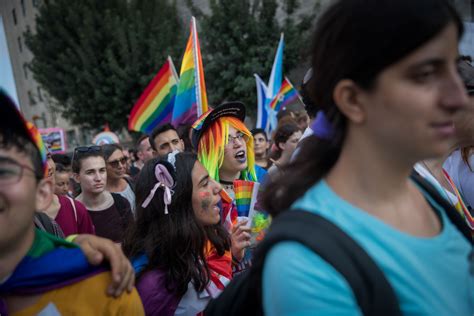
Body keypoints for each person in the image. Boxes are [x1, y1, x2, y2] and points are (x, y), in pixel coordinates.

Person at [262, 0, 473, 315]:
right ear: (352, 100)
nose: (457, 97)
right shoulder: (310, 260)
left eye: (455, 70)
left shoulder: (428, 194)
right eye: (426, 74)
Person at [0, 91, 144, 315]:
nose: (98, 177)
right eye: (91, 172)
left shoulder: (103, 291)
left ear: (41, 193)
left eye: (4, 170)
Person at [124, 152, 232, 315]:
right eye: (204, 184)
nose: (218, 187)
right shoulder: (153, 285)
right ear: (180, 202)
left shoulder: (190, 249)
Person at [192, 101, 264, 274]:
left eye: (239, 135)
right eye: (227, 139)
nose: (238, 143)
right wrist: (231, 252)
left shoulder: (264, 179)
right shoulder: (203, 198)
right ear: (211, 151)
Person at [73, 146, 134, 242]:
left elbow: (133, 242)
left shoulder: (121, 202)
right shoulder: (72, 211)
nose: (98, 178)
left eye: (102, 170)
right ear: (77, 177)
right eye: (90, 172)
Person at [43, 155, 96, 236]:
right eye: (60, 184)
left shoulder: (76, 209)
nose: (49, 167)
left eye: (48, 157)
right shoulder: (19, 218)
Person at [102, 143, 136, 214]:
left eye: (123, 160)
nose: (121, 166)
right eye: (114, 163)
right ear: (103, 166)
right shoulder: (100, 194)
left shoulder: (132, 182)